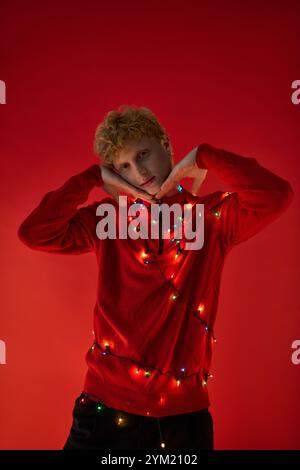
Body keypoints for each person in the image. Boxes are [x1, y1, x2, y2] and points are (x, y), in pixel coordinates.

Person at [17, 105, 294, 450]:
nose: (139, 170)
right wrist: (91, 179)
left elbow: (275, 195)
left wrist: (205, 156)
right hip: (105, 410)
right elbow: (34, 233)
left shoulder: (211, 217)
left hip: (183, 418)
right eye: (123, 166)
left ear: (165, 143)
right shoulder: (106, 219)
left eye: (143, 154)